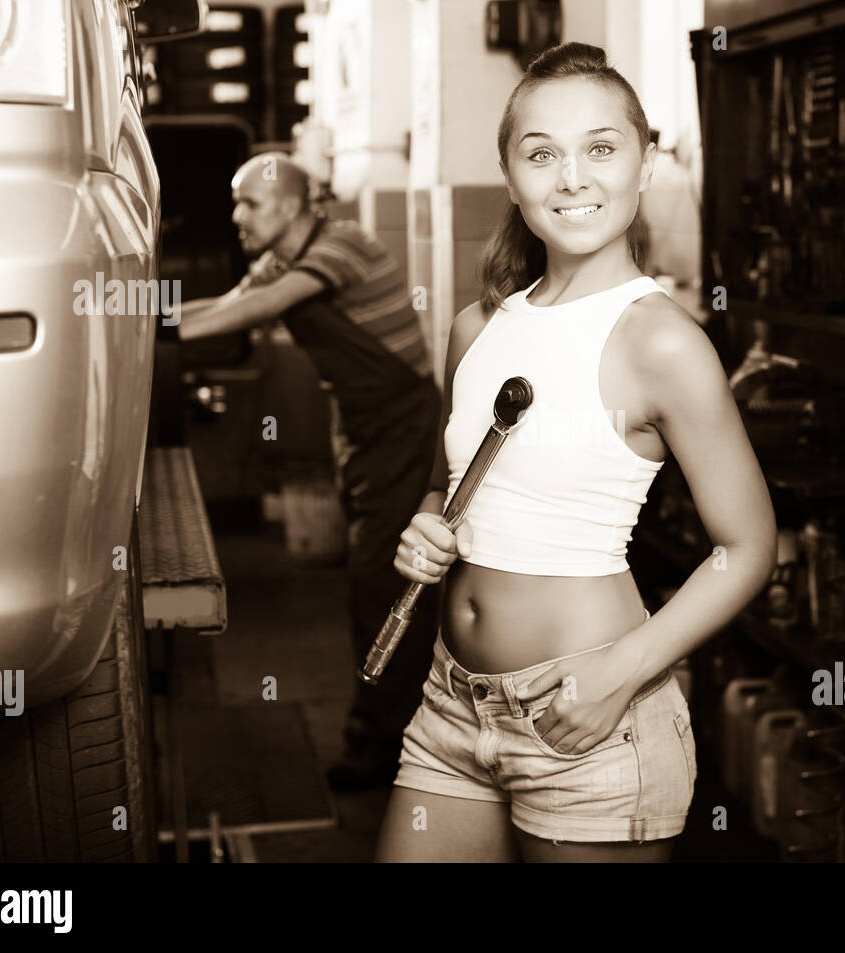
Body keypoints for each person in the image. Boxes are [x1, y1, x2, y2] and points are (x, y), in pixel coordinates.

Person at [373, 43, 776, 862]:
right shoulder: (474, 329)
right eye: (541, 153)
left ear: (645, 162)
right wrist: (423, 529)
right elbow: (446, 488)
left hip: (591, 719)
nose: (572, 178)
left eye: (601, 147)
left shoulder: (660, 341)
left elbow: (749, 547)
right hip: (451, 704)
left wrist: (619, 674)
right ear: (510, 174)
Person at [177, 153, 441, 791]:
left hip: (406, 430)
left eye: (251, 204)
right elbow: (226, 303)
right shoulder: (276, 259)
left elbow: (259, 307)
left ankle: (387, 751)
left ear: (293, 205)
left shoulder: (342, 245)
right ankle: (401, 737)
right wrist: (125, 318)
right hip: (360, 433)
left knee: (386, 591)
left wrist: (145, 329)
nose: (237, 216)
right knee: (372, 586)